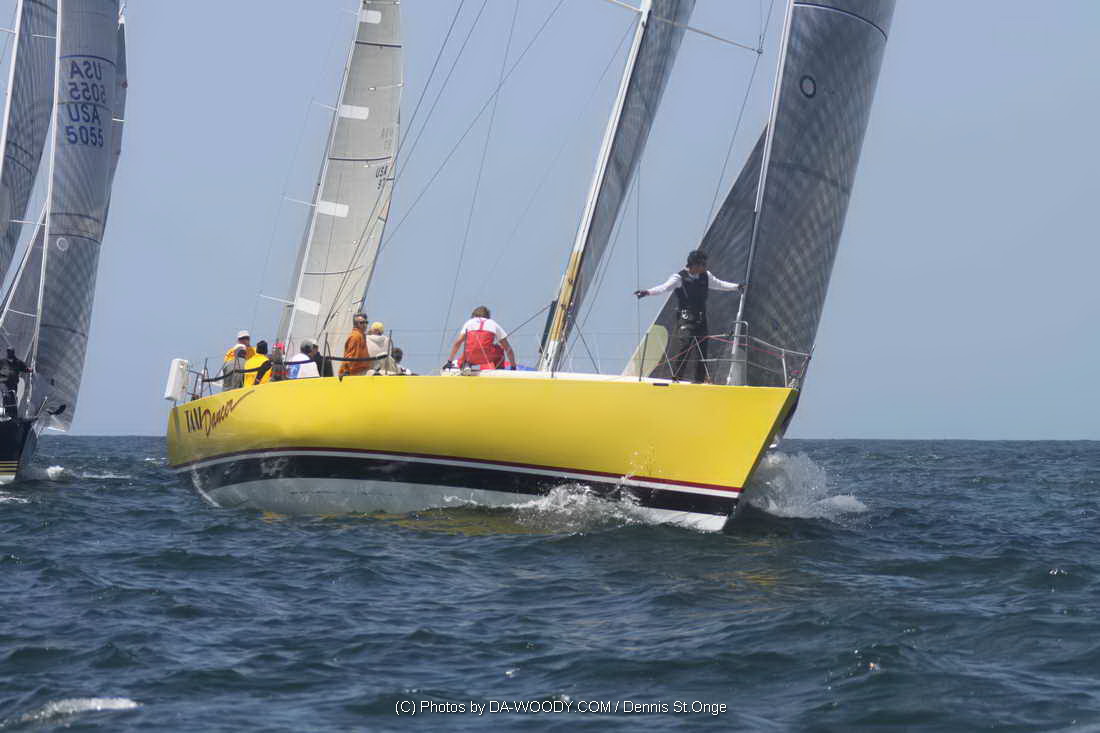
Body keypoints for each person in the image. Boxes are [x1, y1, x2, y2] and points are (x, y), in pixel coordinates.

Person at [634, 249, 742, 384]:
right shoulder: (679, 278)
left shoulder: (706, 276)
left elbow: (719, 284)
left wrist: (737, 287)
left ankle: (699, 381)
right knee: (685, 345)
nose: (705, 267)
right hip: (686, 318)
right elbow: (664, 288)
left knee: (702, 348)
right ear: (695, 264)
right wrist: (647, 292)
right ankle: (676, 378)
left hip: (701, 318)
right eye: (703, 264)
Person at [445, 306, 516, 371]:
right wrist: (513, 367)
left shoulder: (469, 322)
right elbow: (508, 348)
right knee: (500, 350)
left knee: (467, 351)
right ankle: (499, 372)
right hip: (487, 357)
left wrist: (449, 361)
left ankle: (466, 365)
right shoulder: (493, 323)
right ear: (488, 316)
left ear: (473, 315)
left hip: (470, 357)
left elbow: (458, 342)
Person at [0, 348, 29, 418]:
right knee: (7, 396)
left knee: (12, 397)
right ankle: (7, 413)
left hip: (13, 383)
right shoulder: (3, 361)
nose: (9, 353)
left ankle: (12, 414)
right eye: (8, 352)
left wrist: (30, 370)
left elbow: (25, 368)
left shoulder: (17, 362)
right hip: (4, 383)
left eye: (10, 352)